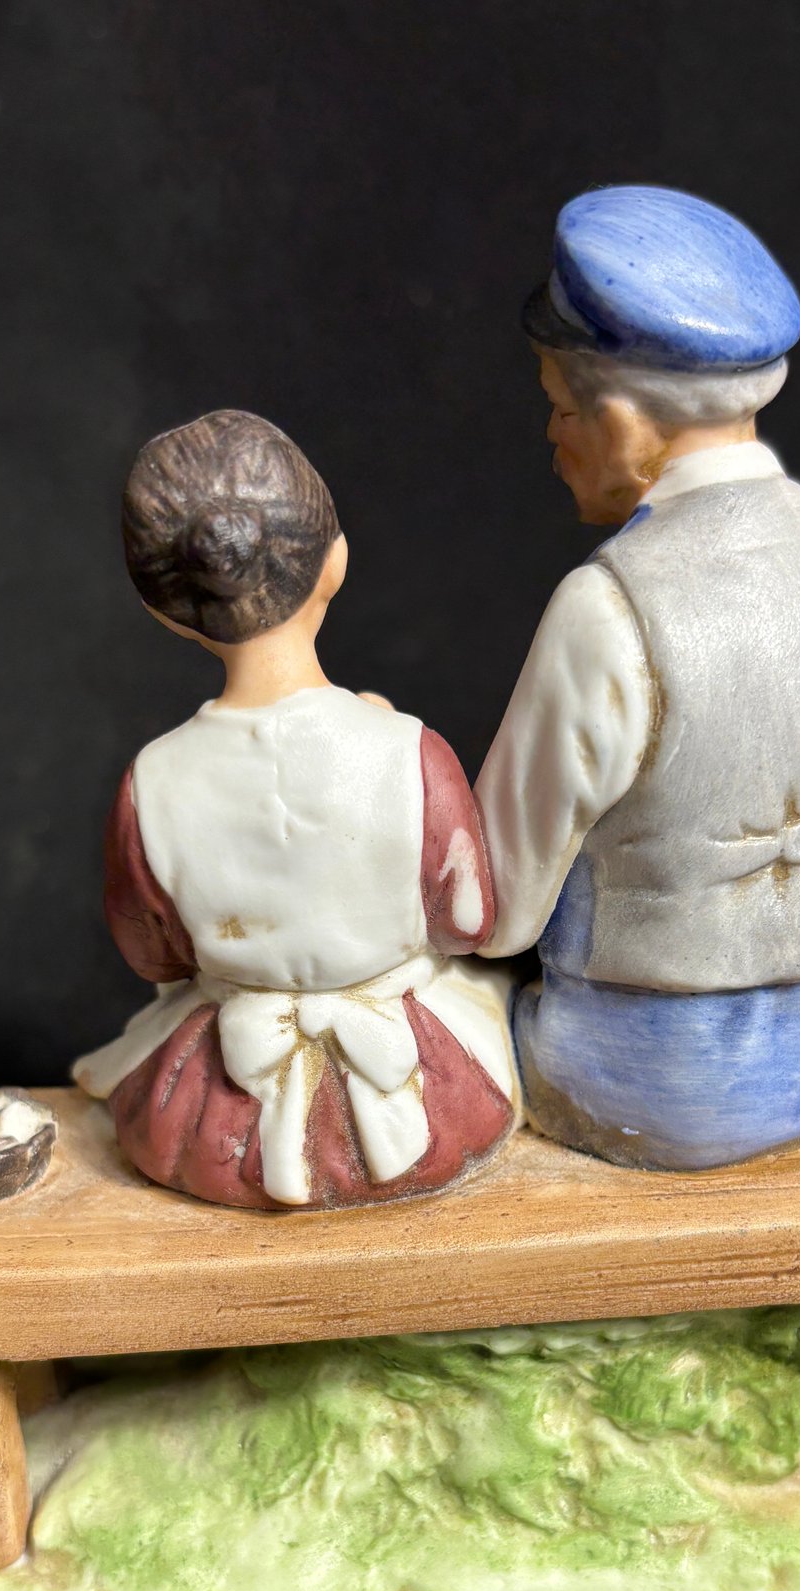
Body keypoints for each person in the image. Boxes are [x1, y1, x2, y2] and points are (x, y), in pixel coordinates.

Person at [476, 186, 800, 1170]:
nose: (552, 438)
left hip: (658, 1083)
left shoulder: (609, 606)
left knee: (446, 1030)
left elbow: (498, 909)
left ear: (622, 421)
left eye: (558, 407)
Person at [74, 409, 519, 1209]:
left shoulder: (151, 782)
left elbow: (154, 957)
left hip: (213, 1112)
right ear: (334, 561)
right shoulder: (410, 751)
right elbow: (466, 921)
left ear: (162, 610)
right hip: (423, 1085)